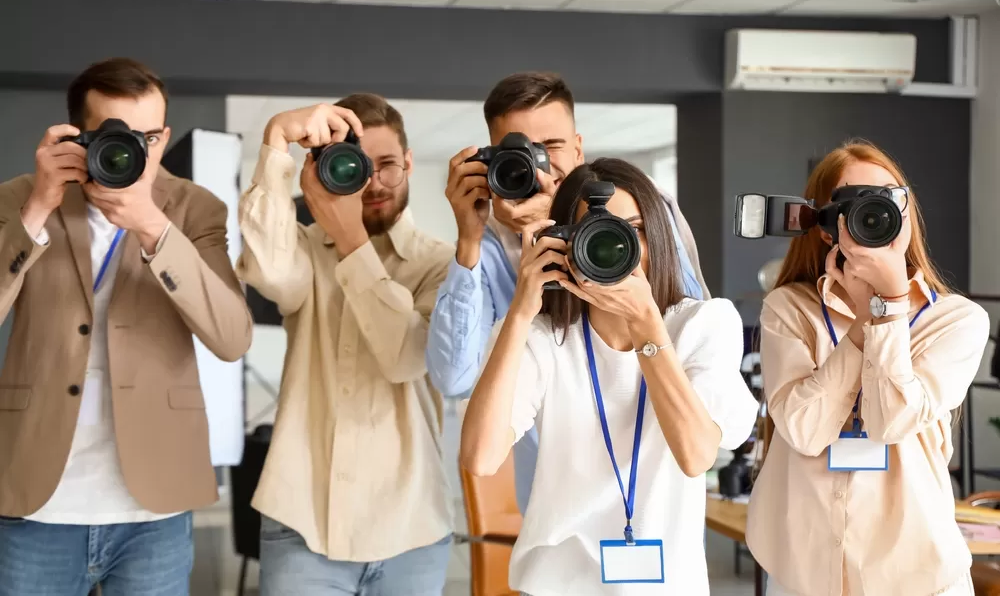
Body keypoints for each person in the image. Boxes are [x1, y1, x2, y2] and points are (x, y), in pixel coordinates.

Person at [0, 57, 253, 596]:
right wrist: (39, 206)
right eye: (115, 136)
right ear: (78, 134)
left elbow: (232, 338)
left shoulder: (193, 207)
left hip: (153, 500)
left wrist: (153, 228)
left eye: (147, 137)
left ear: (162, 136)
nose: (133, 151)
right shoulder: (17, 198)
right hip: (36, 490)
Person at [460, 158, 757, 595]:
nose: (618, 247)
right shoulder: (541, 337)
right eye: (595, 233)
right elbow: (480, 458)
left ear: (657, 236)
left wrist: (647, 326)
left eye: (634, 229)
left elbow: (695, 454)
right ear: (564, 243)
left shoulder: (703, 325)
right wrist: (521, 311)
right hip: (556, 583)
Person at [427, 71, 710, 513]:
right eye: (519, 151)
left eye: (551, 147)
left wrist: (578, 233)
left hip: (656, 477)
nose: (540, 163)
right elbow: (453, 378)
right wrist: (469, 238)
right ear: (494, 160)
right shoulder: (484, 246)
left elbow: (689, 324)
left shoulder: (640, 209)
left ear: (578, 147)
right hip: (554, 495)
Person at [746, 142, 989, 596]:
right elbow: (801, 429)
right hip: (803, 571)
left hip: (917, 572)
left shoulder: (955, 320)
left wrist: (892, 309)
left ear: (906, 212)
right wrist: (866, 320)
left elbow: (891, 420)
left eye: (885, 199)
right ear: (823, 226)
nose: (872, 213)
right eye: (854, 202)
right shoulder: (790, 309)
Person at [236, 94, 455, 596]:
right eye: (359, 166)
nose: (375, 183)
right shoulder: (307, 250)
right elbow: (268, 271)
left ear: (410, 164)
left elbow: (405, 357)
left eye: (389, 166)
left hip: (412, 527)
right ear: (331, 169)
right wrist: (275, 139)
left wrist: (351, 237)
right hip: (302, 519)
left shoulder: (444, 265)